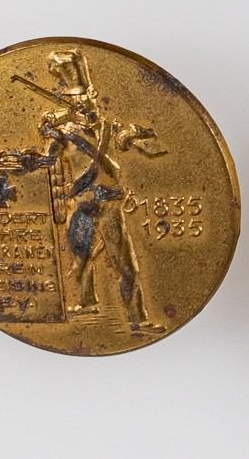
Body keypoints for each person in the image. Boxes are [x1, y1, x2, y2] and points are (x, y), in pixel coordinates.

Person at [34, 50, 164, 331]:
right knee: (79, 258)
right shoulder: (63, 133)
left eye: (86, 98)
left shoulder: (108, 128)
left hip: (110, 205)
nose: (82, 103)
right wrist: (48, 132)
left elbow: (137, 142)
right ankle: (85, 302)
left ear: (93, 97)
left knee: (125, 265)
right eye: (75, 100)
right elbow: (45, 163)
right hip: (81, 202)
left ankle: (138, 319)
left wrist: (138, 135)